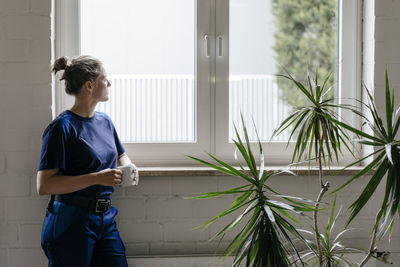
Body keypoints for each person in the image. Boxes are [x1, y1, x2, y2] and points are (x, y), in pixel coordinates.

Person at [36, 55, 139, 267]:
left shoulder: (105, 122)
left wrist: (130, 166)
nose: (109, 83)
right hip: (70, 222)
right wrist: (98, 178)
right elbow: (45, 185)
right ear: (89, 85)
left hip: (105, 220)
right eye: (105, 79)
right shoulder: (61, 128)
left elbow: (121, 155)